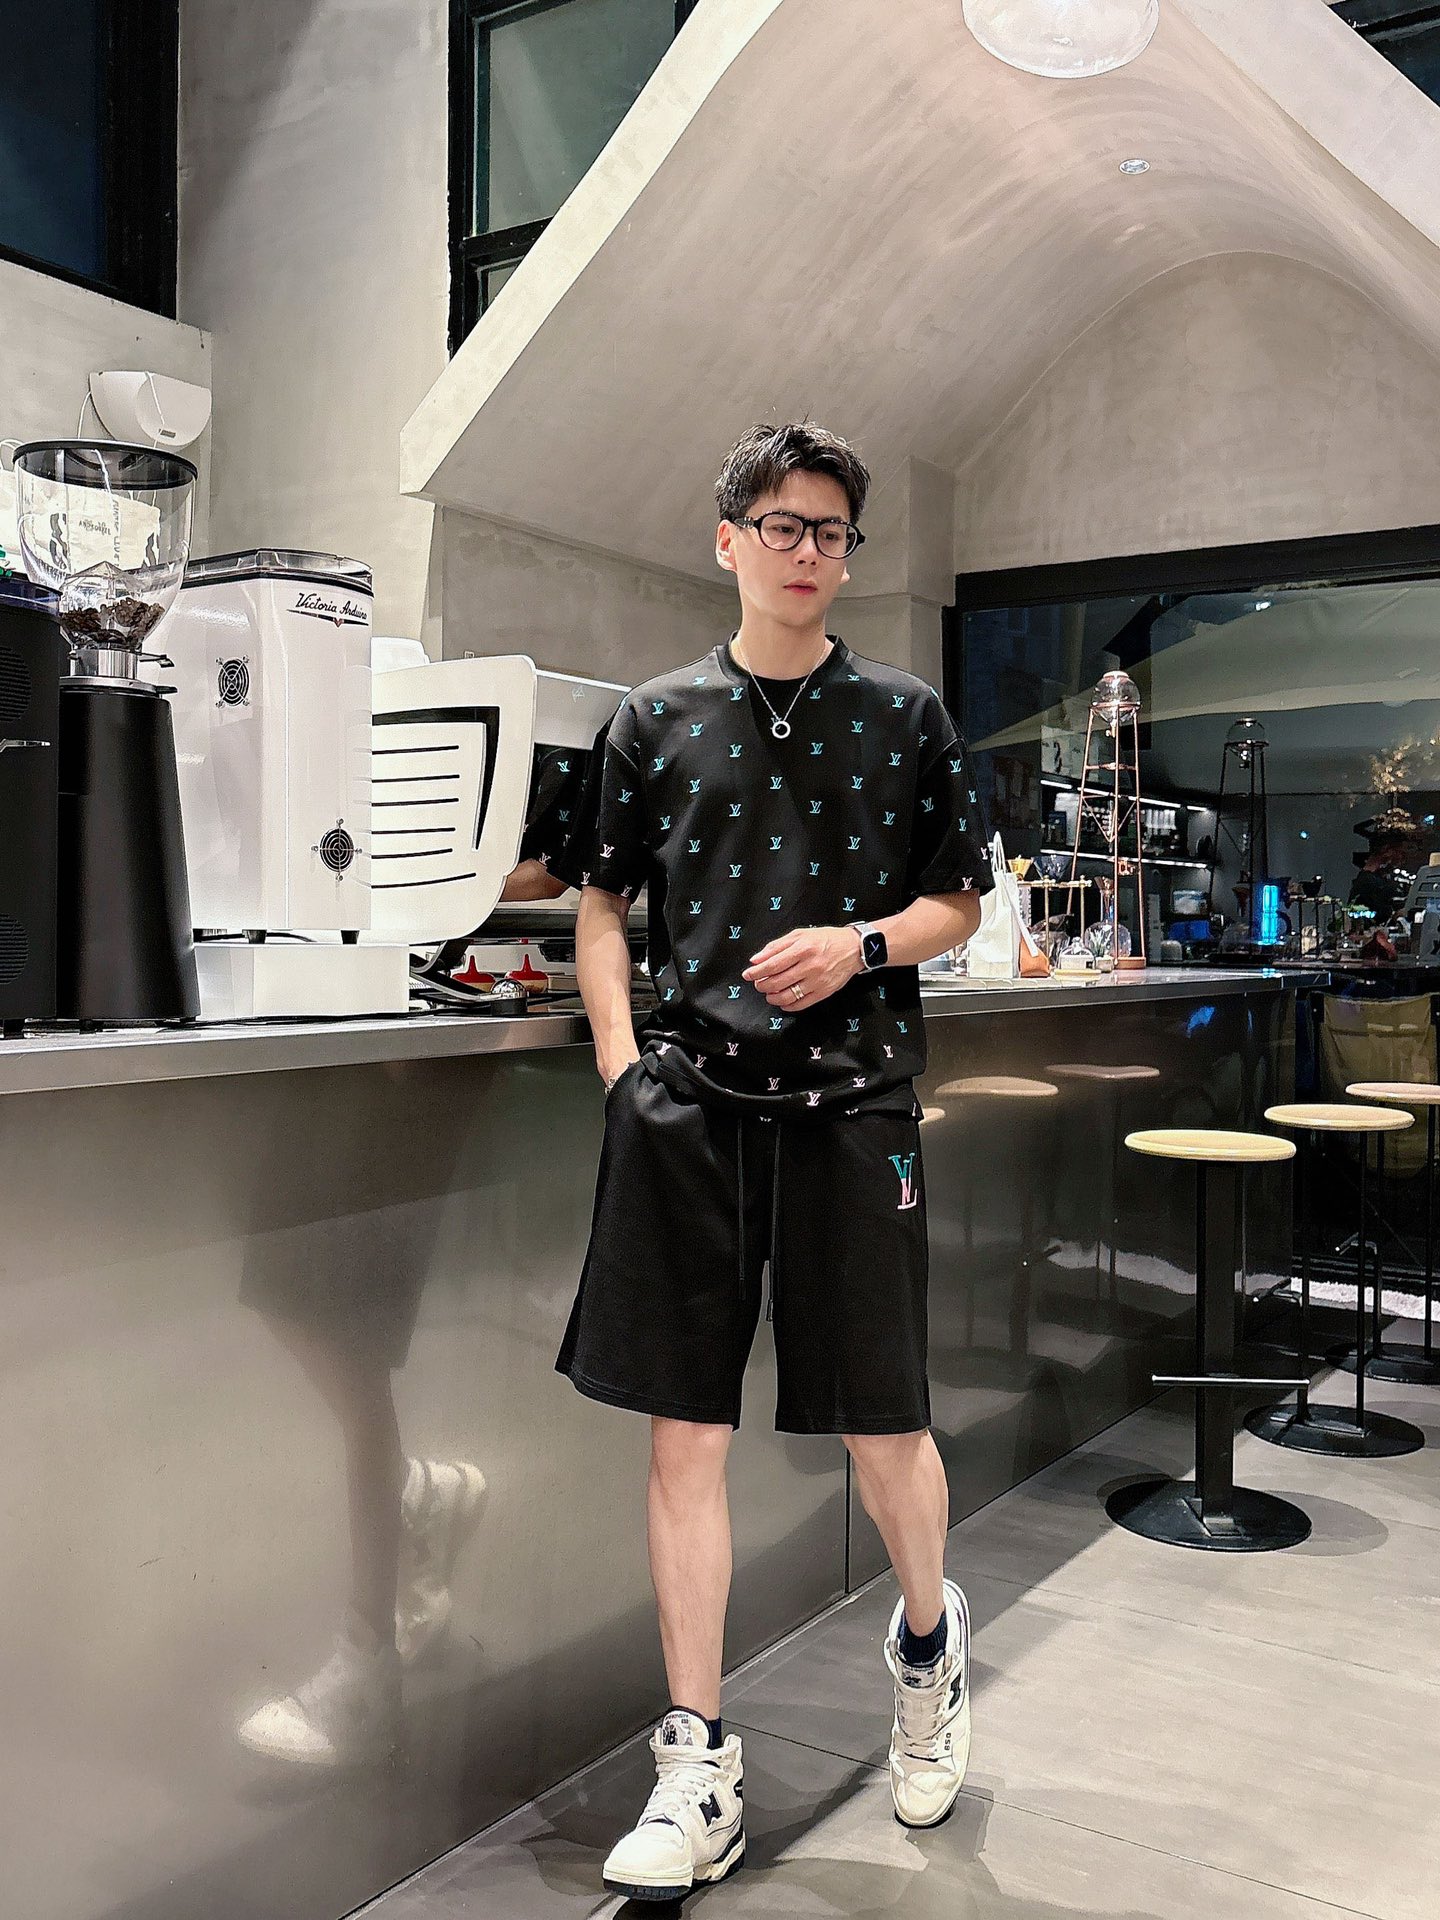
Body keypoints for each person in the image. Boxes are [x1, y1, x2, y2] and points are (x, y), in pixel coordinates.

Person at [548, 421, 993, 1901]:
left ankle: (926, 1647)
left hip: (856, 1108)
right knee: (684, 1435)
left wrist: (861, 943)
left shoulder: (905, 715)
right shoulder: (654, 717)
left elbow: (957, 903)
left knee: (883, 1426)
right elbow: (601, 902)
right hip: (689, 1111)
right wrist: (624, 1072)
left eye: (832, 532)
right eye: (784, 527)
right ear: (729, 538)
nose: (810, 553)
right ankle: (696, 1765)